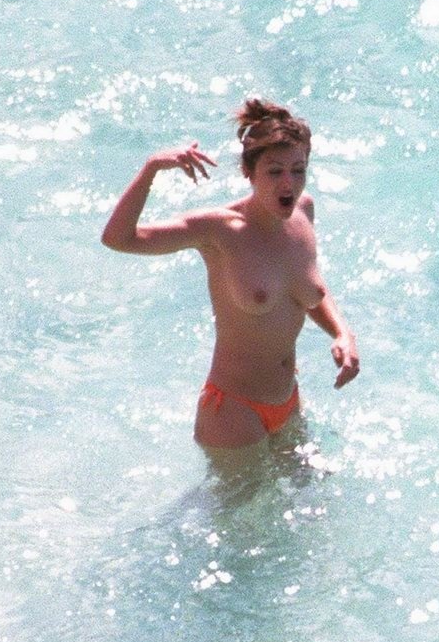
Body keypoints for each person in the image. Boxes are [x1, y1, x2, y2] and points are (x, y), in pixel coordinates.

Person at [101, 99, 359, 450]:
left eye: (298, 170)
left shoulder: (303, 213)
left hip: (288, 400)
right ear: (248, 173)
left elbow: (305, 288)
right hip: (234, 413)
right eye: (275, 171)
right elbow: (118, 239)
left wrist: (342, 333)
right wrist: (152, 168)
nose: (289, 183)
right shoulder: (219, 231)